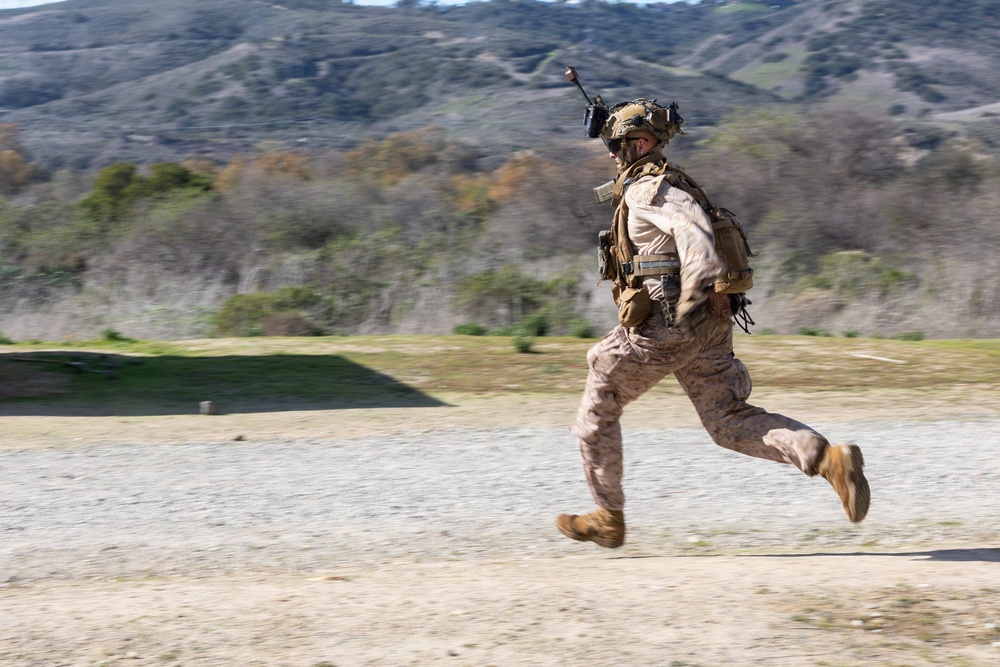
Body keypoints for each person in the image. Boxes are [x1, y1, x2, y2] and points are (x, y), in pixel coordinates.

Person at [556, 97, 870, 549]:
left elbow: (694, 230)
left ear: (641, 143)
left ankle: (608, 516)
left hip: (668, 325)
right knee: (726, 419)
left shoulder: (651, 190)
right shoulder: (669, 183)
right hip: (709, 327)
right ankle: (826, 459)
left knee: (599, 391)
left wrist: (695, 285)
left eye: (618, 144)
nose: (611, 153)